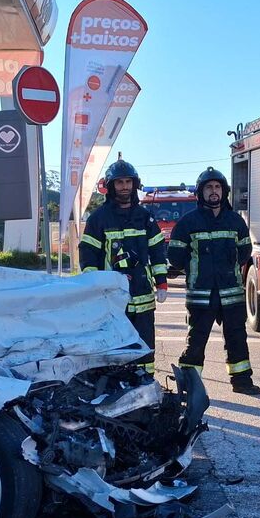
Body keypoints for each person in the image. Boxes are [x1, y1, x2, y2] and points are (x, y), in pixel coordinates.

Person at [168, 167, 260, 395]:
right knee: (196, 341)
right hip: (201, 294)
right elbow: (175, 256)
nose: (214, 191)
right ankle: (189, 386)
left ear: (224, 191)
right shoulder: (188, 223)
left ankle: (242, 382)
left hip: (231, 293)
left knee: (237, 338)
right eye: (209, 187)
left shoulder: (235, 221)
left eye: (217, 187)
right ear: (201, 193)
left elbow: (245, 251)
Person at [79, 157, 168, 377]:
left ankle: (145, 382)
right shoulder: (99, 219)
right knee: (114, 342)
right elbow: (89, 254)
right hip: (112, 297)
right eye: (120, 182)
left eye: (128, 182)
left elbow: (157, 250)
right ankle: (115, 383)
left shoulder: (145, 217)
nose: (125, 187)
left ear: (134, 184)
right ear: (110, 186)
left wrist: (162, 282)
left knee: (145, 342)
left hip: (143, 294)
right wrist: (94, 285)